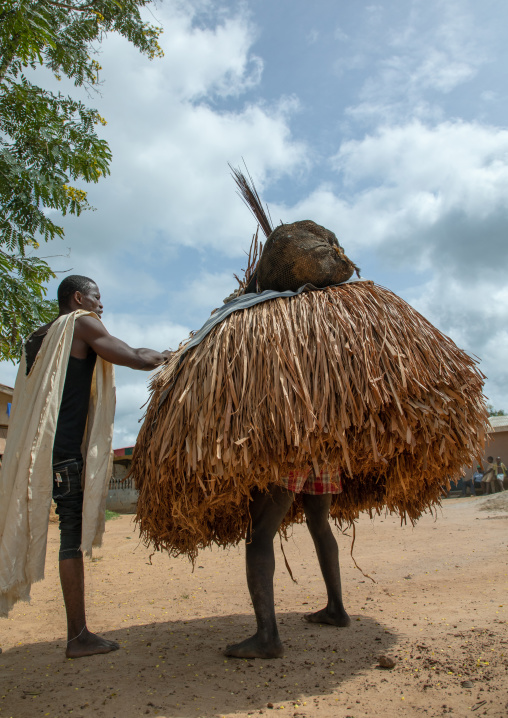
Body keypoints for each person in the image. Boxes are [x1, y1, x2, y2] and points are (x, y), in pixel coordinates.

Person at [0, 275, 171, 658]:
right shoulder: (79, 323)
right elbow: (134, 357)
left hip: (43, 451)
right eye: (96, 297)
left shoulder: (38, 337)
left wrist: (153, 352)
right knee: (71, 539)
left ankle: (79, 632)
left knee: (70, 537)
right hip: (64, 454)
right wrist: (171, 357)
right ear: (78, 297)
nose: (101, 305)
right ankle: (77, 636)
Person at [224, 466, 350, 659]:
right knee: (320, 523)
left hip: (291, 449)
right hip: (322, 449)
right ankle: (336, 608)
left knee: (260, 533)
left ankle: (267, 638)